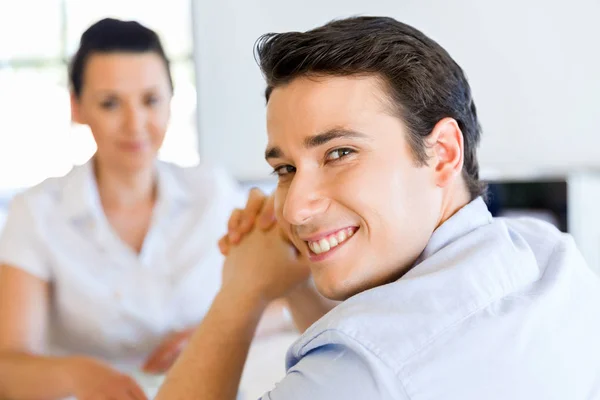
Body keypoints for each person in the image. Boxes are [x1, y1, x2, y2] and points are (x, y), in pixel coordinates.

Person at [155, 16, 600, 400]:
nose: (294, 210)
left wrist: (240, 296)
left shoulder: (356, 374)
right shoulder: (547, 254)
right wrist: (293, 283)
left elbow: (373, 359)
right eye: (286, 168)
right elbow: (388, 335)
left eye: (339, 153)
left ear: (443, 152)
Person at [0, 18, 289, 400]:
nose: (135, 124)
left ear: (171, 99)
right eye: (110, 103)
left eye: (151, 100)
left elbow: (286, 301)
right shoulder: (35, 213)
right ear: (77, 106)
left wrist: (209, 336)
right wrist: (78, 375)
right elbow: (8, 366)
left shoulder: (212, 192)